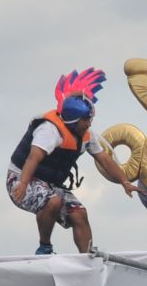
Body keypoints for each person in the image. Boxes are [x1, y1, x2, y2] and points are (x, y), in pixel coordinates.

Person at [8, 69, 134, 253]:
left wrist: (125, 182)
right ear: (74, 119)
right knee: (53, 202)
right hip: (21, 178)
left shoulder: (86, 135)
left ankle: (88, 257)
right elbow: (33, 158)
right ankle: (44, 247)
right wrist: (23, 184)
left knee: (79, 213)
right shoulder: (49, 131)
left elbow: (105, 159)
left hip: (51, 184)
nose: (89, 124)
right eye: (86, 120)